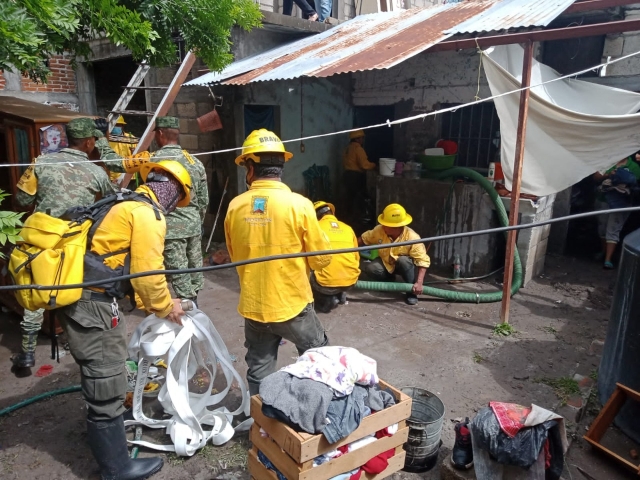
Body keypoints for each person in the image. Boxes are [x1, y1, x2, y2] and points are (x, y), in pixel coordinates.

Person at [57, 160, 191, 480]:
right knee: (106, 379)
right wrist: (164, 307)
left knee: (108, 372)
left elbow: (123, 265)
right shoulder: (148, 214)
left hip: (87, 297)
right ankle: (117, 468)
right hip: (95, 304)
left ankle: (111, 433)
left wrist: (152, 304)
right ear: (172, 194)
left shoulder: (123, 202)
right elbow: (148, 275)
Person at [224, 128, 332, 396]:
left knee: (259, 368)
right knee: (318, 356)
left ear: (250, 166)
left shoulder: (235, 206)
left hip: (254, 306)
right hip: (292, 305)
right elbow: (321, 260)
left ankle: (262, 424)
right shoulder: (300, 205)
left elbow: (237, 256)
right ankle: (310, 412)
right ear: (280, 165)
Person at [12, 118, 118, 370]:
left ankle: (27, 354)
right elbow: (112, 203)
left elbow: (21, 199)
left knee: (37, 288)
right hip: (74, 244)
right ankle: (77, 344)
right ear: (90, 142)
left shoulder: (41, 162)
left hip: (41, 238)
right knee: (73, 291)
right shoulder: (96, 172)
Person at [150, 116, 209, 306]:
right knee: (194, 266)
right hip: (192, 222)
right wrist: (196, 219)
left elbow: (148, 197)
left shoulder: (153, 161)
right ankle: (194, 303)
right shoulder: (194, 162)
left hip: (170, 225)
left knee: (178, 269)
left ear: (159, 134)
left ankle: (189, 309)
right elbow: (204, 199)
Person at [358, 203, 430, 306]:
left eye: (385, 224)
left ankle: (411, 292)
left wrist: (419, 283)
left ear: (395, 227)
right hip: (387, 263)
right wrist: (346, 248)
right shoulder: (379, 230)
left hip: (405, 266)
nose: (383, 226)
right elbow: (363, 239)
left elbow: (423, 261)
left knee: (403, 261)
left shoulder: (412, 237)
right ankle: (389, 280)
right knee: (371, 268)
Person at [311, 201, 360, 313]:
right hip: (350, 280)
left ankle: (326, 301)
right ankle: (340, 293)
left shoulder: (315, 228)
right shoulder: (348, 228)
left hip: (324, 284)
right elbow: (357, 258)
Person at [594, 155, 640, 269]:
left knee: (613, 229)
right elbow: (595, 177)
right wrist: (609, 174)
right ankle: (604, 251)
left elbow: (635, 184)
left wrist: (623, 178)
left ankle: (608, 260)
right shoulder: (607, 161)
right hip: (603, 199)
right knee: (602, 227)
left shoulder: (634, 166)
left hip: (621, 203)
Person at [343, 130, 376, 222]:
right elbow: (364, 165)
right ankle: (357, 219)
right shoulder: (358, 149)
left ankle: (347, 217)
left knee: (350, 198)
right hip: (355, 177)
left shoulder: (348, 148)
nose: (363, 140)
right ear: (357, 139)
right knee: (359, 198)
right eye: (362, 138)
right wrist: (375, 165)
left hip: (347, 175)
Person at [107, 115, 138, 185]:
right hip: (112, 179)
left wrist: (135, 152)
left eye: (118, 125)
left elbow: (140, 156)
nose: (115, 127)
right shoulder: (106, 140)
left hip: (130, 177)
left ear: (122, 126)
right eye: (114, 125)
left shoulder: (131, 138)